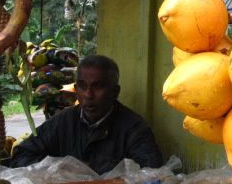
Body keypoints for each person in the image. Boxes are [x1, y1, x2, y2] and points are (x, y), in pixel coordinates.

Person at [10, 54, 163, 174]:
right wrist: (60, 167)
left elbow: (151, 170)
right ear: (76, 90)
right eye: (83, 87)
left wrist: (92, 169)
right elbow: (21, 156)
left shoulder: (134, 127)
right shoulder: (62, 122)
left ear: (115, 92)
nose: (89, 95)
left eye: (98, 87)